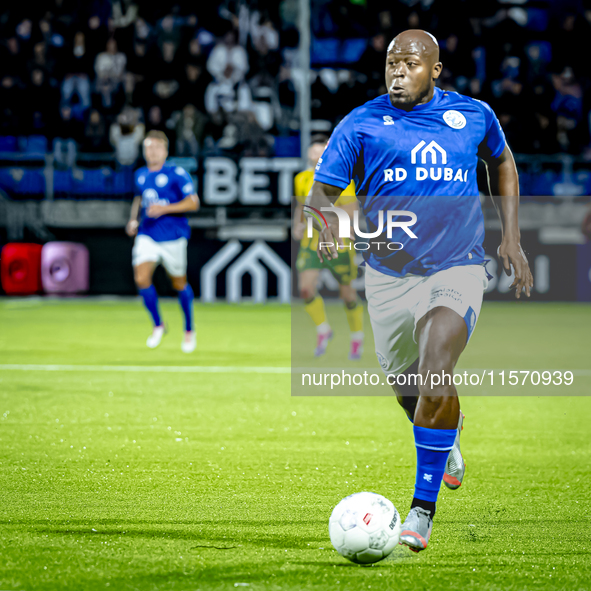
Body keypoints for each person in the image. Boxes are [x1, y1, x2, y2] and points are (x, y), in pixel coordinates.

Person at [309, 30, 533, 552]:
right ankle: (448, 434)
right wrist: (323, 222)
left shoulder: (473, 115)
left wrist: (512, 239)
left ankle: (420, 511)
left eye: (410, 63)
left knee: (436, 365)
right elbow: (321, 191)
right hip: (387, 278)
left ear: (434, 70)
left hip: (456, 268)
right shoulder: (361, 122)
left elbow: (501, 162)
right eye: (391, 63)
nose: (398, 71)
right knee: (413, 393)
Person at [126, 130, 200, 353]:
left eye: (156, 147)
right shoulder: (140, 174)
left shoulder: (177, 173)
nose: (152, 151)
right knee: (141, 277)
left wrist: (165, 209)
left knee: (179, 283)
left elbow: (193, 202)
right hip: (147, 234)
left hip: (173, 237)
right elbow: (139, 198)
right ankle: (158, 324)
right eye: (148, 147)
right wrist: (133, 220)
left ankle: (189, 329)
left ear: (165, 150)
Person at [293, 135, 364, 359]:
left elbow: (352, 208)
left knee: (347, 294)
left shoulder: (341, 178)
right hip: (310, 242)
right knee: (305, 289)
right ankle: (324, 330)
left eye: (318, 150)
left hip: (337, 242)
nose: (313, 154)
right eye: (311, 150)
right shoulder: (301, 178)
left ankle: (356, 336)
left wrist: (346, 232)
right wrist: (298, 223)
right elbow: (301, 205)